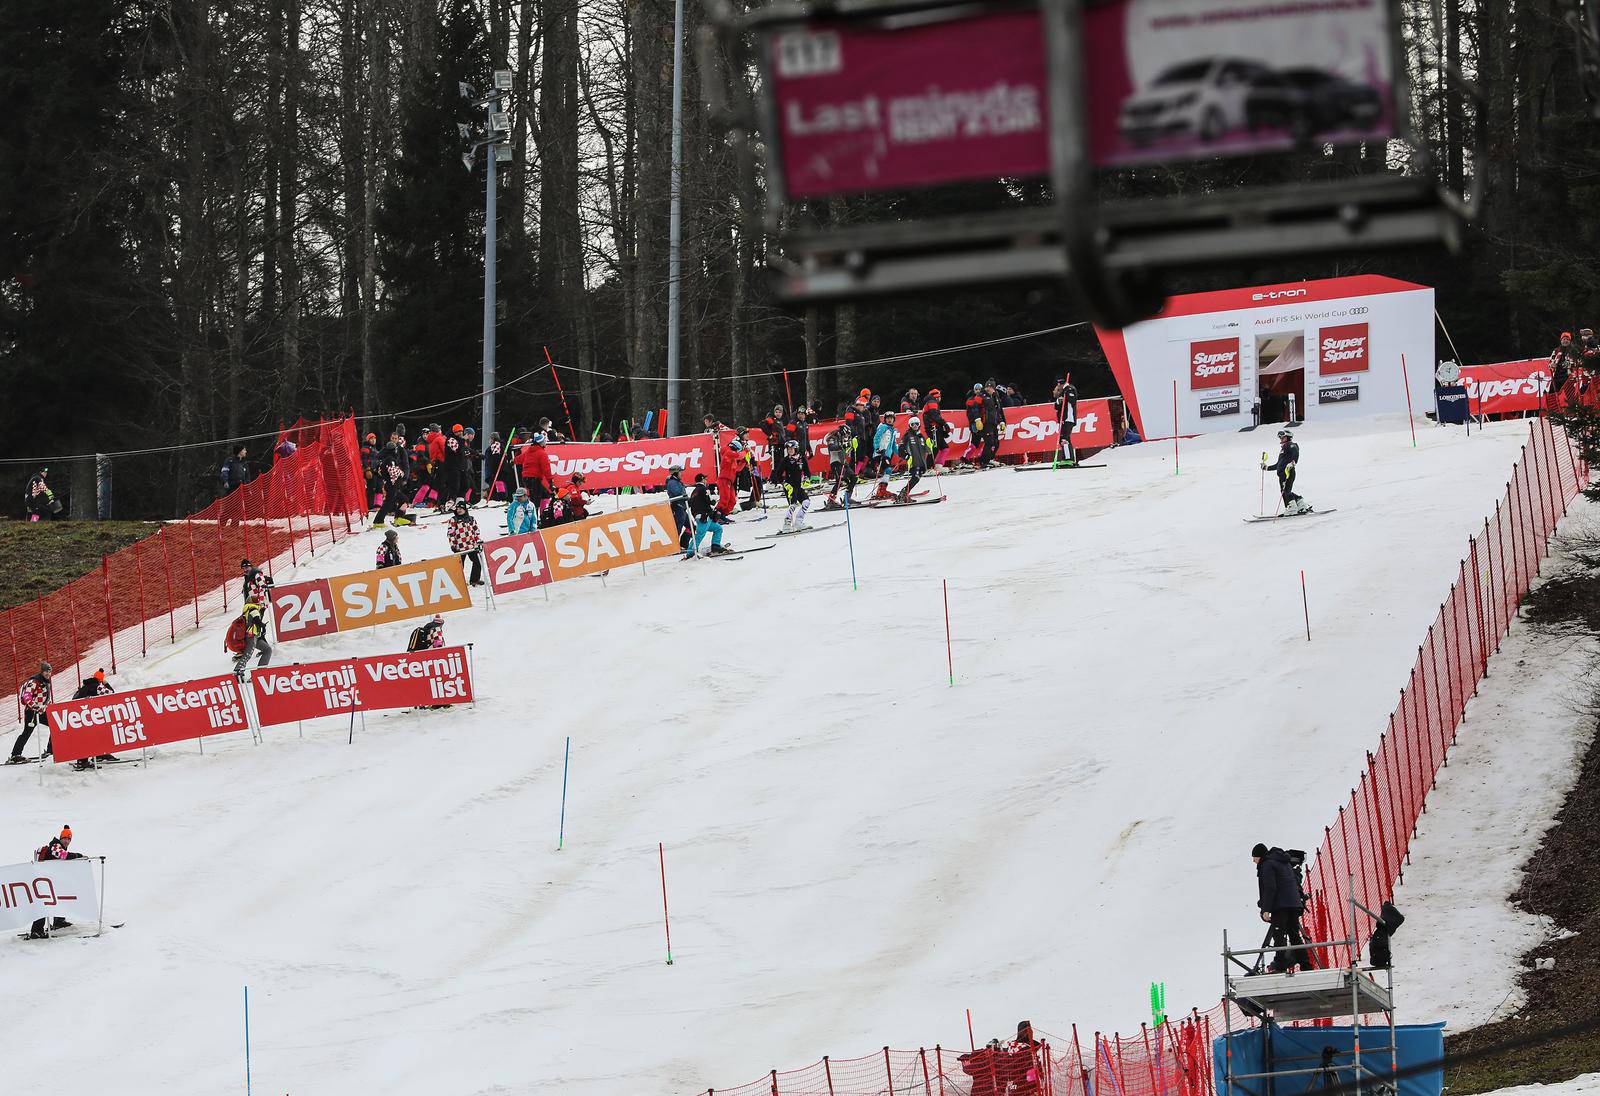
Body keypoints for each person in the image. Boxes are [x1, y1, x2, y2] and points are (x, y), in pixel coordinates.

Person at [1253, 843, 1315, 973]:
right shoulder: (1283, 861)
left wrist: (1265, 909)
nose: (1254, 861)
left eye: (1254, 857)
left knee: (1279, 934)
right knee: (1294, 935)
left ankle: (1280, 964)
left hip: (1281, 905)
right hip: (1294, 903)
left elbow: (1270, 887)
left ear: (1260, 856)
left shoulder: (1267, 864)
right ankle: (1306, 965)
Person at [27, 826, 85, 938]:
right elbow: (63, 856)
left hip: (49, 879)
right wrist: (78, 855)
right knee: (44, 903)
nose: (67, 841)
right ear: (61, 838)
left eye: (69, 839)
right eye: (65, 838)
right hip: (42, 880)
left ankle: (58, 921)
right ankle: (36, 930)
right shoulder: (55, 846)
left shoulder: (60, 846)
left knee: (59, 896)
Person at [69, 671, 118, 771]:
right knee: (91, 737)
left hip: (78, 716)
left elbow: (74, 699)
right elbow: (111, 693)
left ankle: (98, 754)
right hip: (89, 716)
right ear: (100, 680)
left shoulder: (84, 687)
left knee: (92, 736)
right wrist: (105, 683)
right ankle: (83, 761)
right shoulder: (97, 686)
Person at [7, 661, 53, 763]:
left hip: (42, 712)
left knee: (55, 726)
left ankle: (50, 751)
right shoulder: (34, 682)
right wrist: (34, 706)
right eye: (46, 672)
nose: (48, 674)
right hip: (32, 712)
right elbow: (26, 696)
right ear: (41, 672)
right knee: (27, 733)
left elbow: (44, 697)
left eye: (49, 672)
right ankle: (15, 755)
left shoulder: (46, 682)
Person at [685, 474, 734, 557]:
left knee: (718, 528)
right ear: (702, 480)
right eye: (705, 479)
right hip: (704, 516)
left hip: (701, 516)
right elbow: (709, 501)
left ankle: (715, 546)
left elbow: (693, 504)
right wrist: (713, 502)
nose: (706, 480)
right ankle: (690, 553)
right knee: (700, 534)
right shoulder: (703, 489)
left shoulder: (694, 491)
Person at [1262, 430, 1308, 515]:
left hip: (1288, 472)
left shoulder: (1290, 445)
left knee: (1285, 491)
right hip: (1283, 473)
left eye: (1283, 437)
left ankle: (1292, 508)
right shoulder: (1284, 449)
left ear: (1288, 437)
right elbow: (1278, 465)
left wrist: (1293, 462)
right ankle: (1300, 504)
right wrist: (1266, 467)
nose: (1281, 439)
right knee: (1286, 490)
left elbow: (1295, 452)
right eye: (1280, 437)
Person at [374, 433, 415, 526]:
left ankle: (398, 518)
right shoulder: (390, 460)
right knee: (389, 503)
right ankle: (378, 521)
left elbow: (381, 471)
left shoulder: (388, 459)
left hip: (392, 485)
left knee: (402, 500)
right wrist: (402, 474)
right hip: (392, 485)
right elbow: (394, 473)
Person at [824, 414, 861, 509]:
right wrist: (843, 446)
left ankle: (847, 497)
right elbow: (832, 447)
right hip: (835, 462)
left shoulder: (844, 438)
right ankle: (831, 500)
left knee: (853, 477)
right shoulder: (833, 437)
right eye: (846, 435)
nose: (847, 437)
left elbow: (846, 450)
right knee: (840, 480)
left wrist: (852, 446)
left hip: (843, 462)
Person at [231, 598, 272, 680]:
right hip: (251, 635)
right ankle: (238, 673)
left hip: (254, 636)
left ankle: (260, 673)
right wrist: (263, 625)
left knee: (267, 650)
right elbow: (257, 620)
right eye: (258, 601)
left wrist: (262, 610)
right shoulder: (253, 608)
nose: (260, 602)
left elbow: (255, 618)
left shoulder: (248, 608)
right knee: (248, 654)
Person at [447, 500, 486, 586]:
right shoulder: (454, 520)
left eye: (461, 508)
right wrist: (453, 545)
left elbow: (476, 532)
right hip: (460, 547)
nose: (459, 510)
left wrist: (478, 542)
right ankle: (458, 583)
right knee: (459, 566)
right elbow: (450, 533)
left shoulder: (471, 519)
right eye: (457, 509)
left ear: (465, 509)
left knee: (477, 562)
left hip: (472, 546)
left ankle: (474, 580)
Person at [895, 416, 932, 502]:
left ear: (919, 425)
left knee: (917, 477)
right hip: (913, 461)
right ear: (909, 425)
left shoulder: (921, 436)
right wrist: (907, 457)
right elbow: (900, 448)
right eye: (912, 424)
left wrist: (930, 446)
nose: (915, 426)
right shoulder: (907, 435)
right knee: (915, 477)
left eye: (916, 424)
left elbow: (928, 451)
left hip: (921, 462)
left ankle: (904, 493)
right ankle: (903, 494)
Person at [779, 440, 813, 533]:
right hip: (789, 487)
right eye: (788, 449)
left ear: (796, 449)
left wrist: (807, 478)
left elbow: (807, 471)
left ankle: (798, 522)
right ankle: (786, 525)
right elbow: (777, 475)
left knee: (806, 502)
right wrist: (784, 483)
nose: (789, 450)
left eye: (791, 449)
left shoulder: (801, 458)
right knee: (793, 504)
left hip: (798, 486)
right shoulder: (785, 460)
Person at [870, 413, 899, 501]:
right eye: (887, 418)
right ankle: (882, 491)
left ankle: (881, 490)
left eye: (891, 418)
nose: (889, 420)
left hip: (887, 455)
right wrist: (877, 448)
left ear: (894, 420)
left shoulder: (893, 430)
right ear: (885, 419)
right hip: (880, 453)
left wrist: (901, 454)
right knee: (888, 470)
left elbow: (893, 445)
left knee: (887, 470)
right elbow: (877, 437)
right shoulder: (883, 427)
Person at [664, 465, 693, 551]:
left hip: (682, 507)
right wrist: (687, 498)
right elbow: (678, 493)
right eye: (680, 472)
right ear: (676, 473)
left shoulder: (677, 481)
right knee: (678, 528)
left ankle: (683, 544)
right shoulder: (672, 482)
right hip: (677, 507)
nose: (682, 474)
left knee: (691, 526)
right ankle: (673, 547)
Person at [1053, 375, 1080, 465]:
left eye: (1058, 385)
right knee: (1064, 438)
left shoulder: (1069, 389)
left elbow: (1073, 400)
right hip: (1062, 418)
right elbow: (1056, 407)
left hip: (1068, 418)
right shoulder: (1063, 391)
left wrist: (1066, 394)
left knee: (1064, 438)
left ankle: (1068, 459)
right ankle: (1067, 457)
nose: (1057, 387)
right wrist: (1058, 401)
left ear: (1060, 384)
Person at [923, 393, 952, 468]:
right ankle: (928, 468)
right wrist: (944, 424)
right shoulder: (932, 402)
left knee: (944, 448)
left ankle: (938, 465)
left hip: (935, 428)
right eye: (940, 397)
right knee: (935, 448)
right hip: (933, 429)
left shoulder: (930, 402)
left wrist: (942, 428)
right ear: (937, 397)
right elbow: (935, 416)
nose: (940, 398)